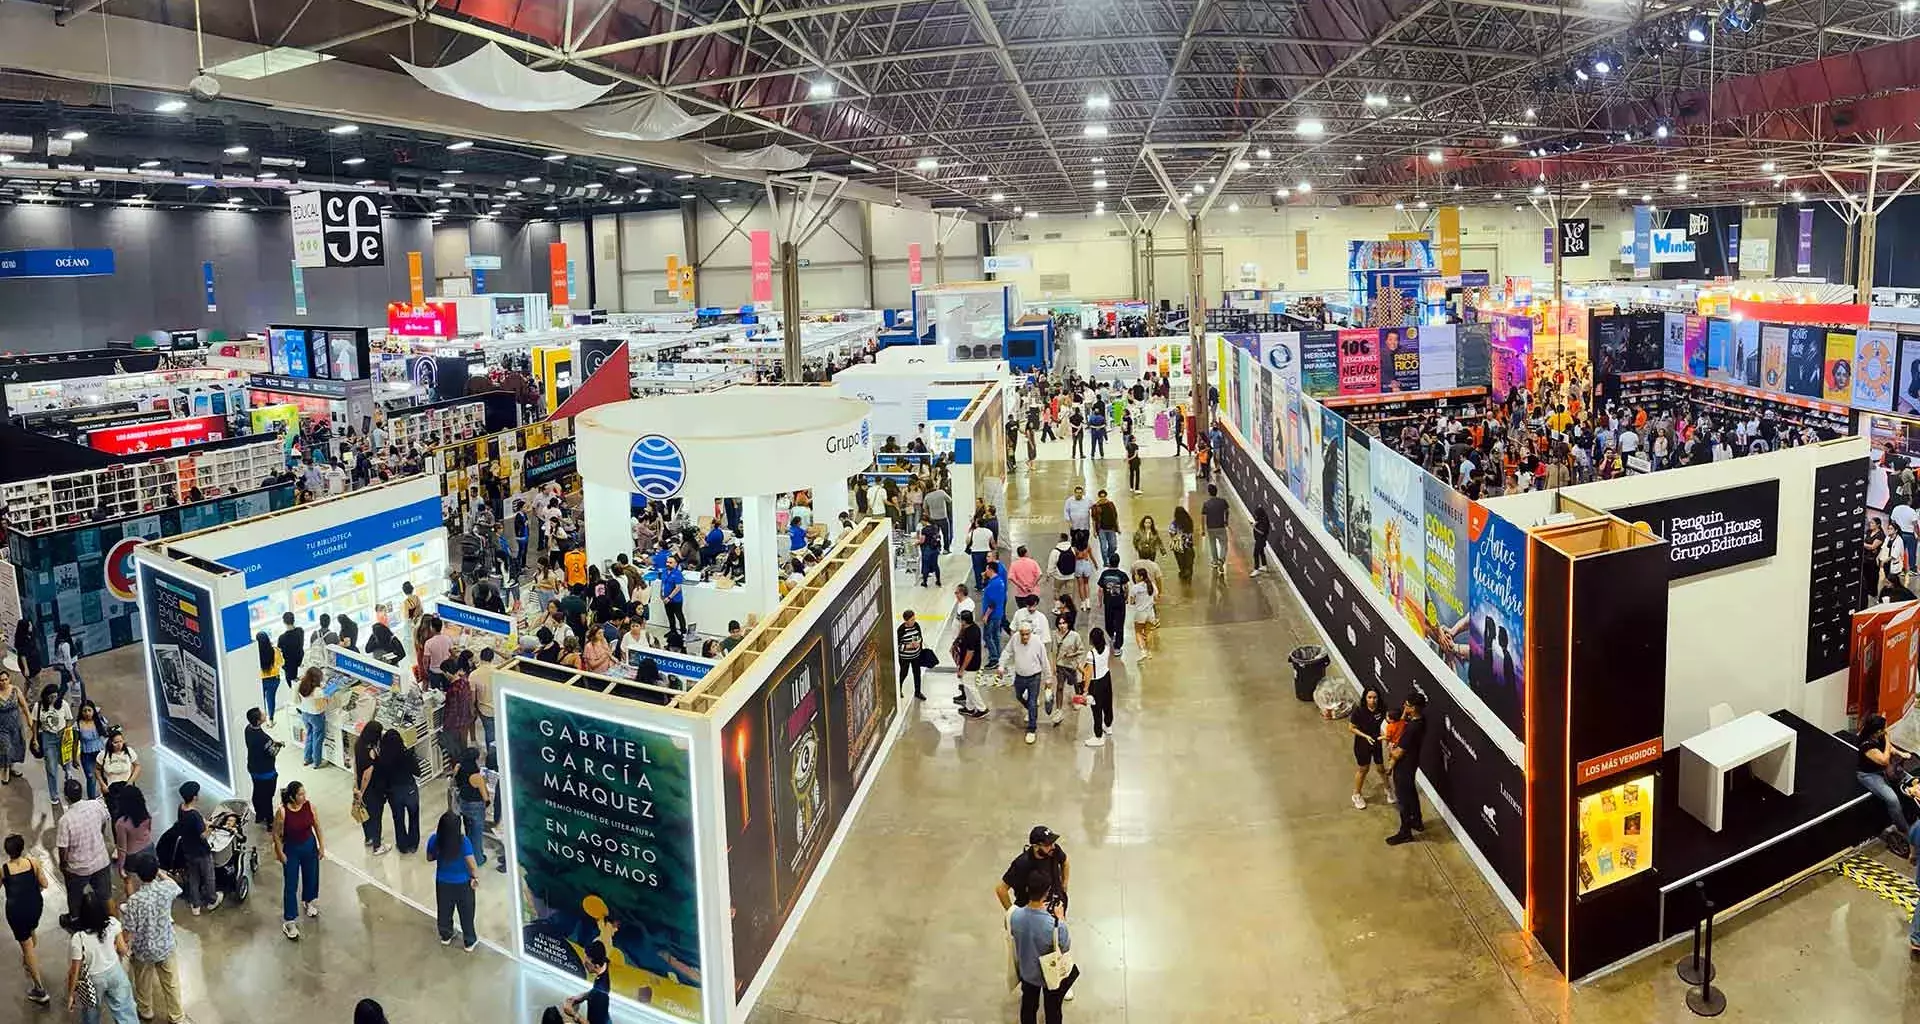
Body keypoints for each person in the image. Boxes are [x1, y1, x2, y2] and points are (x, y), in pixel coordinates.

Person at [120, 853, 185, 1024]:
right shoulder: (166, 889)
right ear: (155, 871)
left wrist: (123, 946)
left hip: (143, 950)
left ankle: (146, 1011)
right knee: (171, 983)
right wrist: (161, 873)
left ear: (139, 875)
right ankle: (176, 1016)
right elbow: (176, 886)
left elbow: (129, 930)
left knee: (143, 983)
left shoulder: (134, 901)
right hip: (166, 945)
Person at [1009, 868, 1079, 1024]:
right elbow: (1065, 945)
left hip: (1027, 972)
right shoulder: (1053, 925)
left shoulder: (1014, 916)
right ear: (1047, 892)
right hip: (1049, 976)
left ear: (1027, 889)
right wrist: (1060, 919)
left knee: (1028, 1007)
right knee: (1053, 1010)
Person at [64, 895, 135, 1024]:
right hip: (115, 972)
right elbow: (123, 950)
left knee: (91, 1013)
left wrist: (71, 994)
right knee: (125, 1009)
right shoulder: (112, 923)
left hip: (93, 979)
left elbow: (75, 970)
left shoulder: (78, 938)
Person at [272, 780, 325, 940]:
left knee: (311, 876)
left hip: (309, 845)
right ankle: (289, 920)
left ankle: (308, 901)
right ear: (292, 797)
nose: (304, 797)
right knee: (291, 884)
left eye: (304, 793)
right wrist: (280, 852)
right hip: (292, 849)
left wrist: (321, 846)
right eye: (300, 794)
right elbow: (276, 833)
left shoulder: (310, 807)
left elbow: (317, 826)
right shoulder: (282, 812)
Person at [2, 834, 50, 1005]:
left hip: (17, 912)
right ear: (21, 848)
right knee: (31, 930)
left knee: (27, 947)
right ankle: (28, 958)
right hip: (35, 906)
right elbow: (45, 884)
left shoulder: (4, 869)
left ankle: (40, 990)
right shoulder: (32, 862)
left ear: (7, 851)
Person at [54, 777, 110, 921]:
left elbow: (63, 848)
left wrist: (63, 864)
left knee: (75, 895)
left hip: (78, 868)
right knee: (106, 895)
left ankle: (74, 918)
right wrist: (100, 836)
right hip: (101, 861)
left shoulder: (65, 821)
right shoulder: (95, 805)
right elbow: (105, 821)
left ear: (66, 798)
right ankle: (112, 922)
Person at [426, 810, 480, 951]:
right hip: (463, 883)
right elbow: (472, 864)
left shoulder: (434, 839)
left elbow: (429, 857)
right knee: (466, 912)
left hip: (443, 882)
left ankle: (446, 936)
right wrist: (475, 877)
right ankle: (469, 941)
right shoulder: (464, 842)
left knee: (444, 910)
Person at [1856, 713, 1910, 841]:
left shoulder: (1879, 736)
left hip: (1884, 770)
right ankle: (1904, 829)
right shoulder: (1866, 745)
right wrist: (1888, 738)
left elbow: (1889, 748)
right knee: (1892, 799)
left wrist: (1901, 753)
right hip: (1869, 775)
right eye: (1884, 729)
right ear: (1877, 731)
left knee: (1912, 781)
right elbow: (1884, 760)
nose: (1886, 730)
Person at [1385, 692, 1429, 844]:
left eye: (1407, 705)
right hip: (1412, 763)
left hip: (1404, 766)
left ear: (1414, 708)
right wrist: (1404, 714)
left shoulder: (1412, 729)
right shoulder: (1419, 721)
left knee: (1403, 799)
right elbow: (1402, 725)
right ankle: (1417, 821)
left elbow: (1398, 752)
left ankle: (1405, 832)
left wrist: (1390, 748)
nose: (1404, 706)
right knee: (1411, 792)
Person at [172, 781, 220, 916]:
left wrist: (204, 822)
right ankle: (212, 900)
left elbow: (191, 823)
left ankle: (195, 904)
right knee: (208, 876)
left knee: (193, 877)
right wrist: (210, 828)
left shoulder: (181, 808)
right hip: (201, 852)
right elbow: (203, 836)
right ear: (194, 797)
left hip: (188, 849)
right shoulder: (195, 815)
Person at [995, 825, 1070, 911]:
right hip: (1032, 912)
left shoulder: (1054, 850)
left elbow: (1065, 861)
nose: (1053, 846)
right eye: (1048, 845)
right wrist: (1012, 914)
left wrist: (1065, 883)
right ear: (1036, 846)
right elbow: (1001, 889)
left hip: (1055, 906)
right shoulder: (1022, 863)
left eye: (1053, 843)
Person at [374, 729, 423, 856]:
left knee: (398, 819)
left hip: (393, 792)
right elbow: (418, 771)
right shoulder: (407, 754)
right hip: (410, 789)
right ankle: (413, 844)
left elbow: (381, 779)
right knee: (414, 817)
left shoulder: (382, 759)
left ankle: (402, 845)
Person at [1348, 686, 1394, 810]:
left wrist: (1388, 736)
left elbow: (1389, 721)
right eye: (1369, 697)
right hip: (1362, 744)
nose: (1372, 700)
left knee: (1381, 768)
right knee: (1364, 769)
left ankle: (1388, 789)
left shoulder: (1382, 708)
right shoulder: (1359, 711)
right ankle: (1356, 795)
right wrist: (1366, 736)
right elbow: (1351, 728)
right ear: (1365, 698)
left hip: (1376, 742)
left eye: (1375, 697)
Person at [1006, 619, 1050, 745]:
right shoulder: (1015, 639)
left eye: (1027, 634)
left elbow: (1044, 660)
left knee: (1032, 701)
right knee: (1019, 696)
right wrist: (1001, 665)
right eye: (1022, 634)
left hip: (1034, 677)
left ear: (1031, 633)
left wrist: (1048, 678)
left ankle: (1032, 729)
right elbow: (1007, 651)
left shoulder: (1037, 642)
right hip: (1019, 676)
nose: (1024, 636)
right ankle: (1032, 710)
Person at [453, 747, 492, 868]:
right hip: (476, 807)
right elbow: (485, 797)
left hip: (464, 804)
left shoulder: (459, 767)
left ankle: (467, 855)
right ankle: (478, 859)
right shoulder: (476, 776)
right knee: (477, 835)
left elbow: (455, 782)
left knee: (469, 832)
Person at [34, 683, 71, 805]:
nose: (53, 699)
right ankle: (54, 794)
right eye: (50, 697)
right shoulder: (38, 706)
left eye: (55, 697)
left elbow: (69, 719)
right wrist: (35, 739)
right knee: (51, 767)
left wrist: (67, 732)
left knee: (66, 763)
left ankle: (69, 781)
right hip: (47, 737)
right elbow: (35, 723)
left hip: (62, 737)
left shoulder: (63, 704)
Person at [559, 939, 612, 1024]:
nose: (584, 963)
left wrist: (573, 1013)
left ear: (596, 966)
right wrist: (583, 996)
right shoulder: (604, 964)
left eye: (587, 963)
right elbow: (597, 990)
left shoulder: (599, 996)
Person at [245, 707, 280, 827]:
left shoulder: (248, 730)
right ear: (259, 721)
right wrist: (278, 745)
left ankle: (259, 815)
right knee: (268, 796)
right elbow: (273, 752)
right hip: (266, 772)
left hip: (253, 768)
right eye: (262, 714)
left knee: (257, 791)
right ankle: (270, 820)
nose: (265, 714)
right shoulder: (263, 738)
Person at [952, 609, 988, 720]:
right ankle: (970, 707)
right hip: (970, 662)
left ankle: (982, 709)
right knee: (967, 686)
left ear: (963, 621)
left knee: (970, 686)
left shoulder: (971, 633)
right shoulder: (972, 628)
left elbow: (970, 653)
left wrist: (962, 669)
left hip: (971, 664)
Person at [110, 784, 153, 876]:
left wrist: (120, 868)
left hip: (133, 856)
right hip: (149, 848)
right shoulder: (146, 815)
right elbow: (149, 831)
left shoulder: (121, 823)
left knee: (128, 880)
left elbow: (122, 849)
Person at [1095, 555, 1130, 656]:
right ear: (1118, 562)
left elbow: (1100, 590)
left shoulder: (1104, 574)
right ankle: (1117, 647)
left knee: (1109, 621)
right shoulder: (1122, 575)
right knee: (1120, 624)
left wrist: (1100, 602)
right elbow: (1126, 587)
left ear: (1109, 562)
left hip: (1108, 603)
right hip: (1119, 603)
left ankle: (1111, 636)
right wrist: (1126, 598)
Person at [71, 702, 104, 800]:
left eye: (89, 710)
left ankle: (108, 798)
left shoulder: (99, 721)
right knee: (91, 778)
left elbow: (108, 734)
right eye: (84, 711)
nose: (87, 713)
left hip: (101, 754)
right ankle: (92, 800)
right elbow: (75, 743)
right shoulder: (77, 725)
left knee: (104, 776)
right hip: (86, 755)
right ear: (81, 712)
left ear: (93, 711)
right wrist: (74, 759)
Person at [296, 668, 328, 768]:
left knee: (309, 735)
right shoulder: (317, 691)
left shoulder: (301, 685)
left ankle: (307, 758)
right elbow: (321, 707)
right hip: (316, 716)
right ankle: (317, 762)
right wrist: (326, 699)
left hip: (305, 714)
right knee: (317, 738)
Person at [0, 670, 26, 785]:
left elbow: (24, 706)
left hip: (16, 725)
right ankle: (5, 770)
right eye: (1, 680)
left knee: (15, 747)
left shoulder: (15, 690)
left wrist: (30, 721)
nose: (4, 682)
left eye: (6, 679)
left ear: (9, 679)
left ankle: (11, 767)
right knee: (6, 748)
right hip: (2, 727)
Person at [896, 610, 927, 701]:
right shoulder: (901, 630)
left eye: (914, 619)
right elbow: (897, 646)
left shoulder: (916, 625)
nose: (914, 621)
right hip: (905, 658)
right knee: (903, 674)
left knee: (917, 674)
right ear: (906, 620)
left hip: (916, 656)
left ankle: (918, 692)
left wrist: (918, 642)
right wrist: (908, 646)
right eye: (912, 620)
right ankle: (899, 689)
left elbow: (919, 636)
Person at [1128, 568, 1158, 659]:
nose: (1135, 577)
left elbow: (1131, 602)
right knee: (1148, 632)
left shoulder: (1135, 588)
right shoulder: (1152, 585)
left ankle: (1143, 651)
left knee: (1138, 632)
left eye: (1136, 575)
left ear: (1141, 576)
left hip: (1140, 613)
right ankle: (1149, 652)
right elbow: (1156, 597)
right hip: (1150, 613)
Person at [1201, 484, 1230, 576]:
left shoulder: (1206, 504)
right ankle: (1221, 560)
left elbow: (1203, 517)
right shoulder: (1223, 501)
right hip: (1221, 526)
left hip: (1210, 528)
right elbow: (1227, 511)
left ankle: (1215, 561)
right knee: (1224, 545)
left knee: (1212, 545)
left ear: (1209, 493)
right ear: (1216, 491)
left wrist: (1203, 530)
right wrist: (1226, 521)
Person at [276, 611, 305, 694]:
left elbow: (279, 653)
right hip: (301, 664)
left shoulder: (282, 638)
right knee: (302, 688)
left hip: (289, 668)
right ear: (294, 620)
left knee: (293, 691)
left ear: (284, 622)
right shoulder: (300, 631)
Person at [659, 555, 688, 638]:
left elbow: (678, 587)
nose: (668, 564)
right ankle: (673, 631)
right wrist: (661, 594)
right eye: (667, 562)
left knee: (679, 615)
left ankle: (683, 631)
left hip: (676, 600)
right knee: (670, 616)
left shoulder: (677, 574)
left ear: (675, 564)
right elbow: (663, 583)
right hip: (666, 599)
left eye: (670, 563)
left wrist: (669, 597)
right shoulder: (664, 572)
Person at [1091, 489, 1120, 567]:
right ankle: (1106, 562)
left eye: (1104, 496)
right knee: (1103, 548)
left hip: (1111, 528)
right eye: (1101, 497)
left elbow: (1115, 516)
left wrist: (1118, 527)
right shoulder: (1095, 507)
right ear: (1099, 497)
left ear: (1106, 496)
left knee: (1113, 546)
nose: (1103, 498)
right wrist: (1094, 531)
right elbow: (1093, 520)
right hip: (1101, 530)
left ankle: (1109, 557)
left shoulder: (1111, 504)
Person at [1250, 505, 1272, 577]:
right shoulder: (1261, 518)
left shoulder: (1264, 522)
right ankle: (1264, 566)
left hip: (1261, 540)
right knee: (1261, 552)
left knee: (1255, 554)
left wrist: (1254, 527)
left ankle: (1256, 569)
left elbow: (1262, 532)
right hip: (1259, 539)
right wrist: (1255, 523)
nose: (1256, 516)